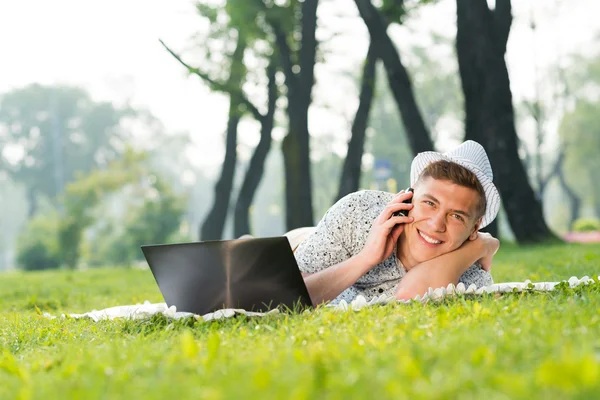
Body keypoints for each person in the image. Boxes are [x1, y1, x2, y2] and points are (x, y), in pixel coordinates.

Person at [293, 140, 501, 305]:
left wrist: (481, 246)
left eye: (456, 216)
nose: (436, 224)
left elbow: (410, 296)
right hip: (297, 242)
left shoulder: (472, 278)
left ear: (474, 228)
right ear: (409, 197)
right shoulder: (357, 212)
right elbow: (285, 297)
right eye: (429, 203)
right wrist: (366, 257)